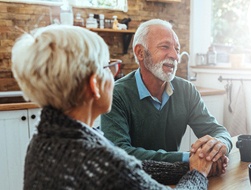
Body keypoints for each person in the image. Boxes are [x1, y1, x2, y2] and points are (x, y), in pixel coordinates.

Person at [11, 24, 213, 189]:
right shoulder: (99, 161)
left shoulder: (45, 138)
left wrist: (186, 165)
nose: (115, 75)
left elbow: (133, 168)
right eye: (109, 67)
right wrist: (198, 173)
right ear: (94, 84)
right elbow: (120, 169)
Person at [101, 19, 233, 176]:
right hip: (131, 180)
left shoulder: (186, 90)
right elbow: (119, 152)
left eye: (177, 49)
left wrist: (218, 147)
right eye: (165, 47)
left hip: (175, 178)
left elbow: (216, 130)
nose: (175, 56)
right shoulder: (115, 94)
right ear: (140, 52)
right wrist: (189, 159)